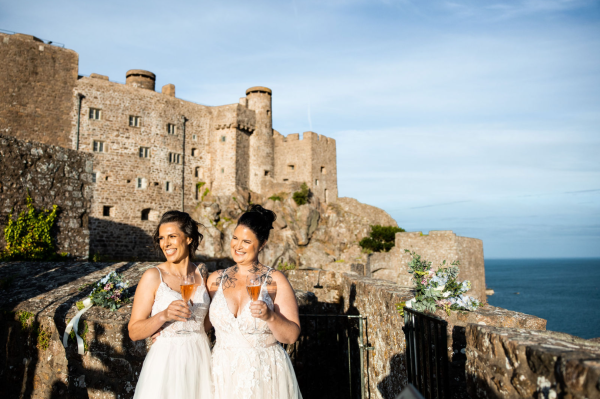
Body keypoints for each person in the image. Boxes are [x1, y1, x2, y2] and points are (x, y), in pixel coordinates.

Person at [208, 204, 303, 399]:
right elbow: (202, 325)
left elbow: (292, 336)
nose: (237, 246)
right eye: (235, 238)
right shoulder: (214, 280)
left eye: (246, 241)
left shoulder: (275, 280)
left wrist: (271, 317)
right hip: (221, 373)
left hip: (263, 375)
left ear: (262, 244)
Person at [128, 211, 212, 399]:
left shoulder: (202, 273)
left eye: (172, 236)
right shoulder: (153, 276)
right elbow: (134, 331)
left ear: (188, 238)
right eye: (162, 238)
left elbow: (207, 320)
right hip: (166, 361)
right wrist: (163, 317)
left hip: (200, 357)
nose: (165, 243)